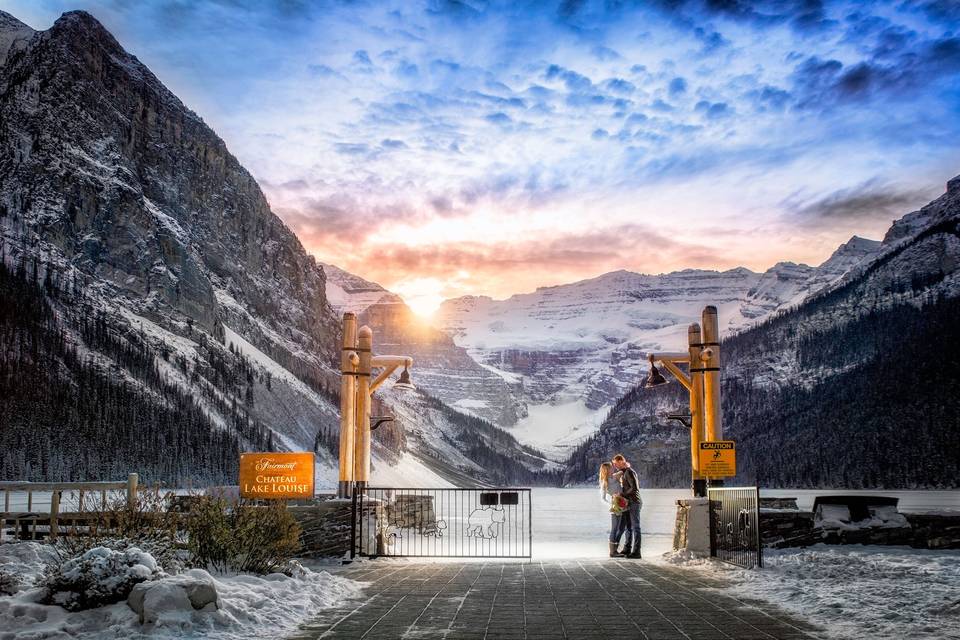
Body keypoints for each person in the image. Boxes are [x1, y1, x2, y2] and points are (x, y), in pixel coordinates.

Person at [612, 453, 642, 559]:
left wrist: (622, 494)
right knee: (628, 527)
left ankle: (637, 552)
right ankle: (627, 549)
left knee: (635, 527)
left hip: (634, 502)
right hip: (628, 503)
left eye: (616, 464)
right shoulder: (624, 472)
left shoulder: (629, 472)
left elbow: (635, 488)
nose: (615, 466)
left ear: (621, 461)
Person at [598, 462, 628, 557]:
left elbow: (623, 471)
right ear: (607, 470)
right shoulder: (605, 482)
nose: (613, 468)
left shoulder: (615, 476)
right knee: (614, 528)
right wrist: (611, 505)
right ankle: (612, 552)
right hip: (615, 506)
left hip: (622, 504)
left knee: (621, 528)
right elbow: (602, 499)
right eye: (611, 468)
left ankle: (615, 550)